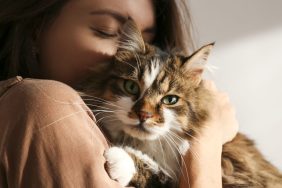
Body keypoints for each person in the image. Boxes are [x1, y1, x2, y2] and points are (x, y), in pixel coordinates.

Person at [0, 0, 238, 187]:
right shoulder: (45, 103)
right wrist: (206, 145)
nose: (132, 52)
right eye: (108, 31)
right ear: (36, 30)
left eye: (148, 40)